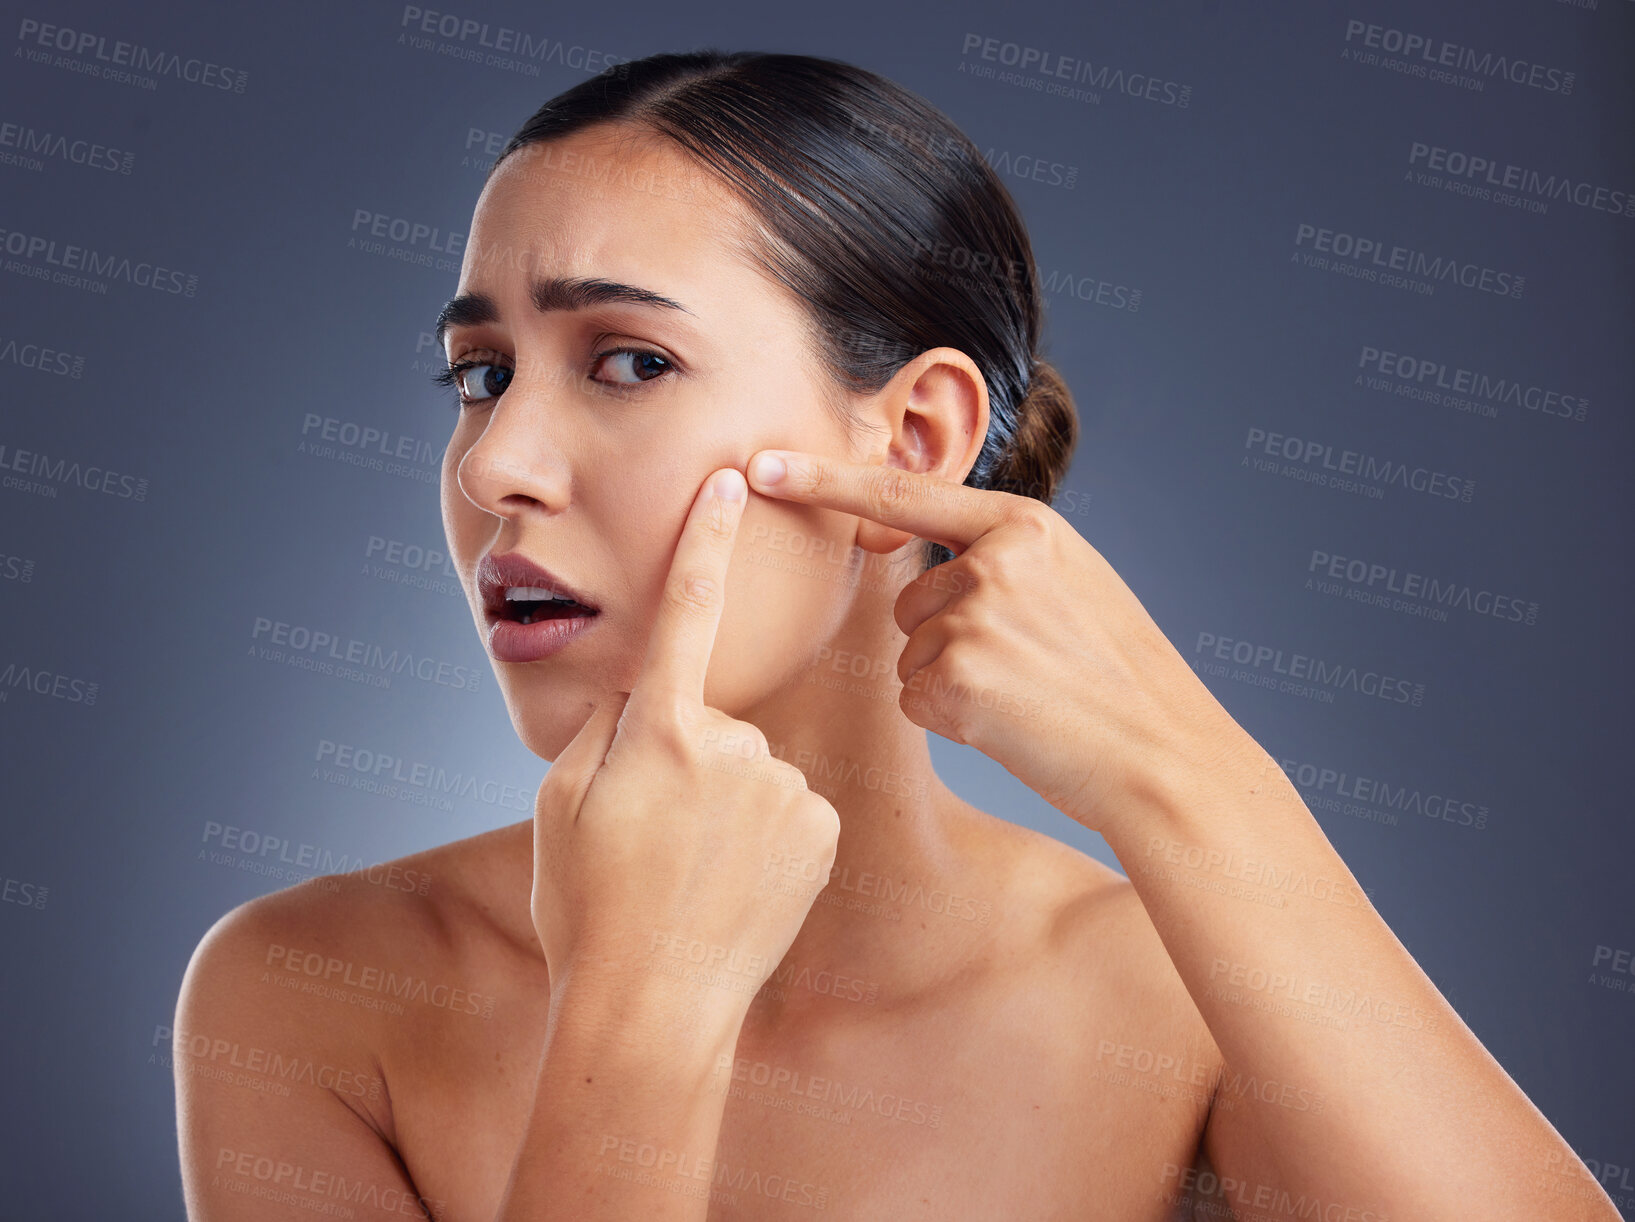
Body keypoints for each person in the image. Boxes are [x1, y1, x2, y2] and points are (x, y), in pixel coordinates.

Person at [172, 50, 1619, 1221]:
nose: (496, 468)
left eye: (628, 359)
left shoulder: (1184, 1003)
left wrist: (1192, 775)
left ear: (915, 439)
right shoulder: (303, 993)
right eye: (479, 375)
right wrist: (641, 1011)